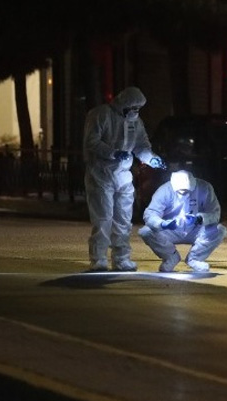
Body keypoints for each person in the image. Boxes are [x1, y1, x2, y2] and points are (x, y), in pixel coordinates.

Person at [83, 86, 166, 272]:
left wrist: (152, 159)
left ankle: (121, 259)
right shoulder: (101, 115)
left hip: (123, 175)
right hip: (101, 174)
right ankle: (98, 259)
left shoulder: (136, 122)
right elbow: (92, 141)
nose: (136, 111)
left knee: (123, 219)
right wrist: (113, 153)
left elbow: (141, 146)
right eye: (133, 107)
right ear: (124, 104)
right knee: (103, 219)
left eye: (138, 108)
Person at [139, 170, 227, 272]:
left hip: (195, 229)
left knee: (219, 230)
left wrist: (199, 219)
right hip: (172, 229)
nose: (184, 193)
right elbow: (150, 214)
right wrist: (162, 224)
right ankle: (170, 257)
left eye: (187, 190)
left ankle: (195, 258)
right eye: (180, 191)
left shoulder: (205, 188)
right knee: (146, 231)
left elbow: (215, 213)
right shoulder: (164, 190)